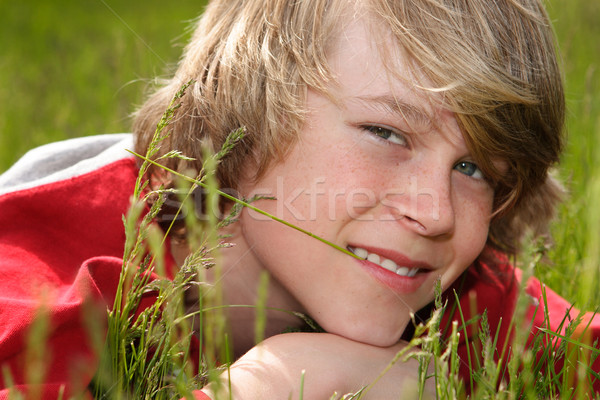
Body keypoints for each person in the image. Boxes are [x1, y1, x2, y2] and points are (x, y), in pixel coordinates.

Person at [0, 0, 598, 399]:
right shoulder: (46, 271)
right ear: (243, 111)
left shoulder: (450, 294)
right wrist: (274, 383)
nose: (436, 211)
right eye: (387, 133)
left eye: (473, 169)